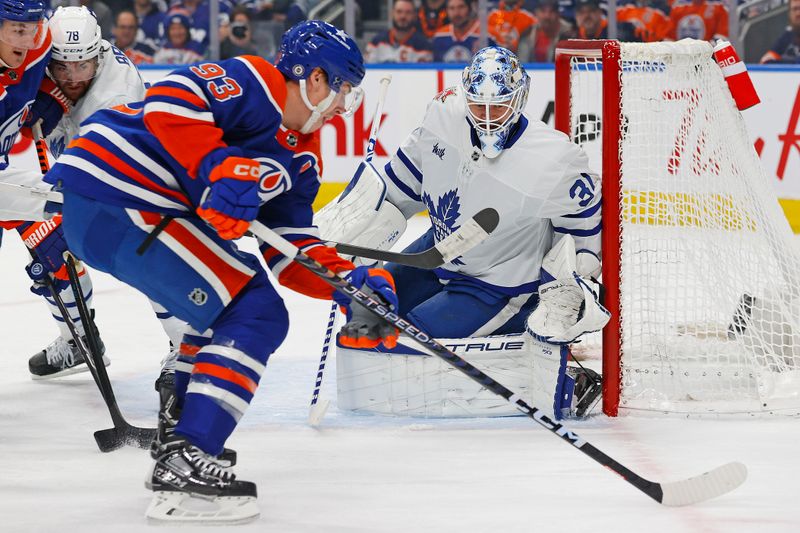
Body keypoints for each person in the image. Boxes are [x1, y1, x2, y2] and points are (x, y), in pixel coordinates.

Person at [44, 20, 397, 522]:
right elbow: (170, 100)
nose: (344, 107)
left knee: (239, 299)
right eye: (344, 89)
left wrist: (348, 284)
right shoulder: (258, 82)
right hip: (116, 192)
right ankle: (187, 457)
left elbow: (289, 250)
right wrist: (219, 167)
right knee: (254, 313)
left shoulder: (301, 156)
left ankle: (182, 431)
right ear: (316, 79)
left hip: (125, 212)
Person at [321, 46, 608, 421]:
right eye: (478, 106)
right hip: (437, 252)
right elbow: (401, 187)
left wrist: (574, 283)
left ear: (519, 99)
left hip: (496, 285)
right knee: (366, 306)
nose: (488, 118)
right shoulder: (442, 116)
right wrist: (362, 228)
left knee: (410, 342)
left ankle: (557, 371)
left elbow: (583, 225)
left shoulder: (553, 160)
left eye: (499, 106)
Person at [25, 6, 188, 381]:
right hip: (83, 177)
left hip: (135, 184)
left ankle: (186, 349)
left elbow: (103, 177)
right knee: (47, 252)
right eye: (62, 67)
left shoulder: (114, 100)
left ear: (98, 55)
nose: (72, 77)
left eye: (81, 66)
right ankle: (78, 340)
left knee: (146, 254)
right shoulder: (46, 60)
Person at [365, 0, 433, 63]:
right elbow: (368, 70)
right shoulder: (376, 42)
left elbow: (423, 74)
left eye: (408, 12)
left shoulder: (423, 45)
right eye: (399, 11)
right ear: (392, 14)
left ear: (415, 16)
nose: (403, 16)